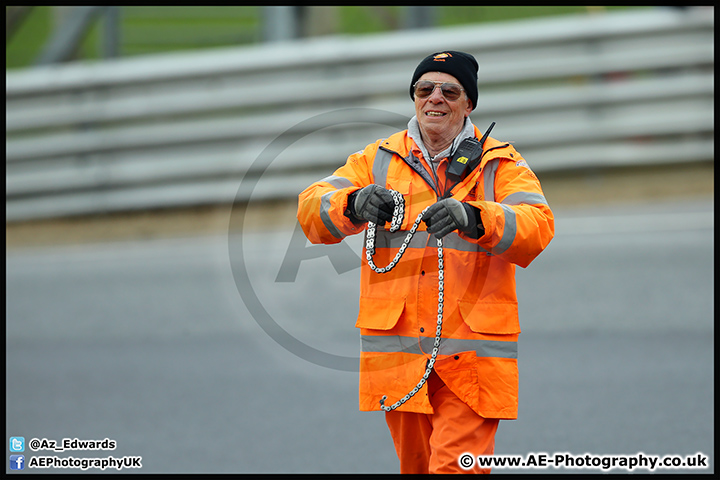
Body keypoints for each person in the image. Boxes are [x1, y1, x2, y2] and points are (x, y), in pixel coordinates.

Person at [297, 50, 554, 474]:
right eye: (424, 89)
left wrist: (475, 217)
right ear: (414, 98)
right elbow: (311, 210)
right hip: (400, 357)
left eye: (449, 90)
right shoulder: (377, 159)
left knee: (455, 468)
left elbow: (538, 226)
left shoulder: (499, 162)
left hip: (470, 359)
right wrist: (353, 203)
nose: (435, 97)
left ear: (468, 103)